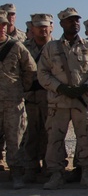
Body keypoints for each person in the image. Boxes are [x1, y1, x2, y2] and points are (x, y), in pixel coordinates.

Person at [37, 8, 88, 190]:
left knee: (86, 137)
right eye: (70, 20)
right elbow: (42, 73)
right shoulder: (51, 48)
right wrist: (59, 87)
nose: (74, 23)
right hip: (58, 102)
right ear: (61, 24)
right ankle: (56, 174)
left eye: (76, 20)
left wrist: (86, 86)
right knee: (55, 138)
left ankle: (86, 173)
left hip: (82, 102)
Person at [0, 10, 36, 189]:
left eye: (4, 25)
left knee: (15, 138)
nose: (1, 28)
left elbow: (30, 69)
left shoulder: (16, 46)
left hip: (13, 101)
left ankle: (16, 174)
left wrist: (22, 88)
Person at [22, 14, 53, 182]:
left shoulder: (58, 48)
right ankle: (30, 167)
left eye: (45, 26)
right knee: (30, 134)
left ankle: (50, 167)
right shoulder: (22, 48)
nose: (42, 29)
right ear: (32, 29)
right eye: (38, 26)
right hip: (29, 97)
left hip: (50, 96)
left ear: (51, 27)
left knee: (51, 134)